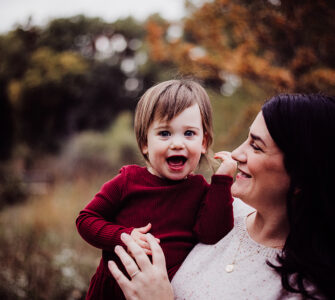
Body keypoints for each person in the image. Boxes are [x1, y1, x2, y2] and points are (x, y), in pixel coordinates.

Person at [109, 93, 335, 299]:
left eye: (256, 146)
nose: (236, 153)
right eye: (247, 139)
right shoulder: (220, 211)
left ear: (302, 175)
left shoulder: (306, 288)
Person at [76, 79, 237, 300]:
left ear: (204, 142)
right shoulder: (128, 181)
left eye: (189, 133)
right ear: (145, 143)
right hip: (112, 291)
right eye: (164, 133)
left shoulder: (201, 190)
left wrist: (222, 181)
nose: (177, 144)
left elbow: (212, 234)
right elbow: (86, 219)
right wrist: (124, 236)